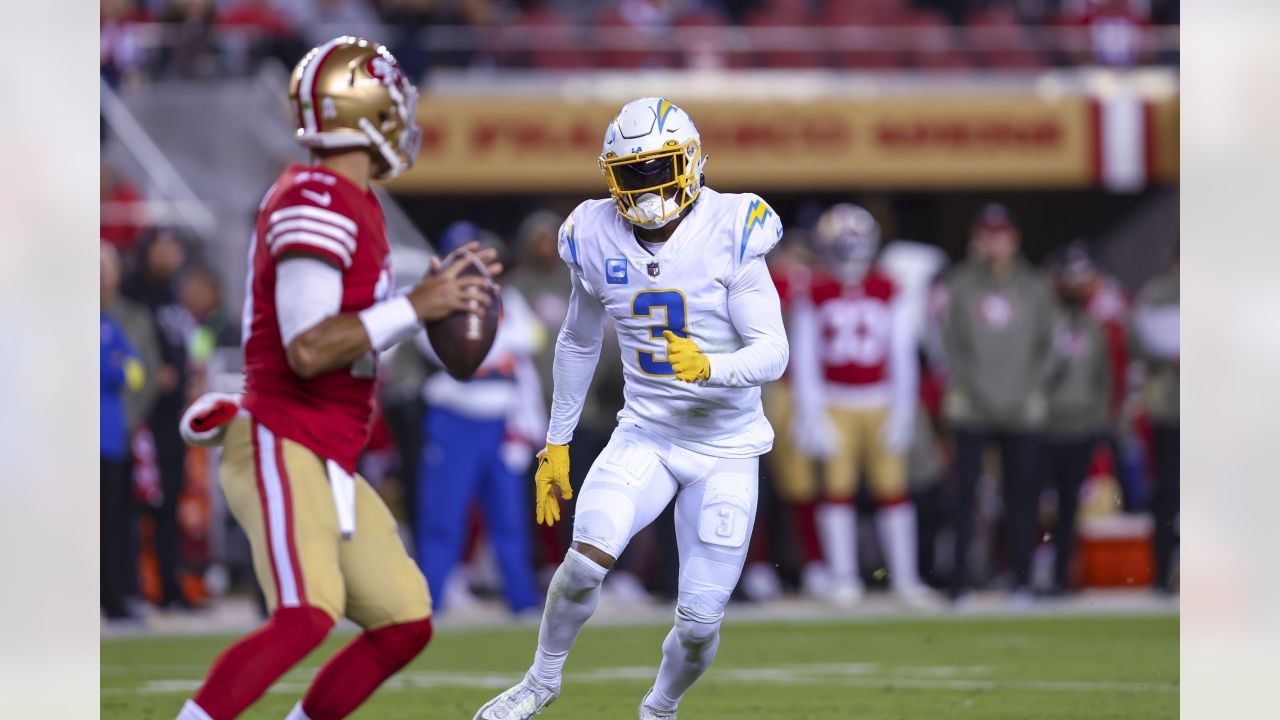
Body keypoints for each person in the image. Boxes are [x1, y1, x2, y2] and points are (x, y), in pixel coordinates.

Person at [173, 37, 500, 720]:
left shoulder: (358, 203)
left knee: (404, 623)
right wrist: (416, 306)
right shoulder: (317, 195)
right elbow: (308, 348)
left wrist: (422, 304)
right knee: (304, 617)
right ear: (370, 109)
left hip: (326, 452)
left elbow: (352, 329)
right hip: (280, 434)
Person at [475, 97, 789, 720]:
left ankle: (661, 706)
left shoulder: (733, 226)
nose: (646, 187)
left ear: (692, 160)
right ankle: (540, 681)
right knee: (584, 561)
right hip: (644, 433)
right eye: (633, 172)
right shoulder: (589, 232)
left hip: (727, 446)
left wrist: (711, 368)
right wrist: (557, 442)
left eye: (658, 168)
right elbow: (578, 339)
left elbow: (774, 351)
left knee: (699, 623)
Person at [788, 204, 931, 608]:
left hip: (880, 399)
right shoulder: (814, 291)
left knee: (893, 492)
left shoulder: (889, 287)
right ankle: (843, 576)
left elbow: (903, 355)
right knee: (836, 492)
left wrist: (904, 409)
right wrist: (811, 413)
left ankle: (905, 578)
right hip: (836, 400)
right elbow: (805, 358)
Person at [414, 222, 544, 615]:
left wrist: (490, 349)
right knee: (442, 516)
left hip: (500, 421)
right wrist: (494, 349)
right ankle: (430, 601)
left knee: (509, 516)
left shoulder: (509, 299)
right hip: (455, 417)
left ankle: (521, 601)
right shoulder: (435, 300)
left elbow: (533, 337)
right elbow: (447, 353)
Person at [940, 203, 1056, 603]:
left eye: (1001, 235)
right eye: (986, 235)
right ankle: (959, 583)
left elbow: (1048, 346)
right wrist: (972, 387)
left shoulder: (1035, 286)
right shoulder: (961, 284)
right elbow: (950, 345)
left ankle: (1021, 579)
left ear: (1014, 239)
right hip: (972, 406)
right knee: (965, 497)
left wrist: (1027, 389)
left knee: (1022, 498)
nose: (993, 245)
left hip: (1022, 409)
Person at [1043, 243, 1112, 594]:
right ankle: (1026, 573)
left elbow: (1102, 376)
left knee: (1071, 505)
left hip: (1080, 427)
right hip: (1045, 426)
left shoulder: (1091, 325)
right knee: (1035, 504)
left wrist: (1099, 419)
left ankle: (1063, 574)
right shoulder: (1046, 321)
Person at [1129, 252, 1179, 593]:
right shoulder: (1156, 294)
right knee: (1167, 493)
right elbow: (1137, 342)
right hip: (1169, 408)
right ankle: (1162, 573)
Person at [102, 275, 145, 620]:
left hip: (110, 439)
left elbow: (135, 372)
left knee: (114, 523)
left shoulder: (110, 325)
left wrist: (115, 369)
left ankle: (114, 598)